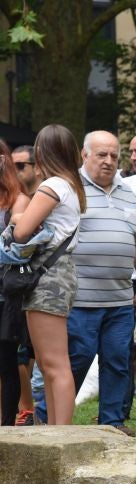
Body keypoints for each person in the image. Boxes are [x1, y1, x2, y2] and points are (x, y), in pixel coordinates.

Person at [69, 131, 136, 434]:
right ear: (84, 155)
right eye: (102, 154)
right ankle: (54, 420)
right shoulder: (70, 188)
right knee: (77, 359)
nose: (109, 161)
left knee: (117, 360)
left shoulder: (127, 191)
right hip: (79, 298)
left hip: (119, 298)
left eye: (114, 155)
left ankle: (112, 424)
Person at [9, 124, 85, 425]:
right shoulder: (71, 185)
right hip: (57, 273)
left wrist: (17, 216)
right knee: (48, 361)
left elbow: (22, 231)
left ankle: (61, 433)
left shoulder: (53, 185)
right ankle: (55, 429)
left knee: (53, 363)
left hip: (48, 275)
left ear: (42, 151)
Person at [0, 140, 29, 425]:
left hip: (5, 292)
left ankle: (7, 423)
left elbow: (16, 241)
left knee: (7, 359)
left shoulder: (18, 199)